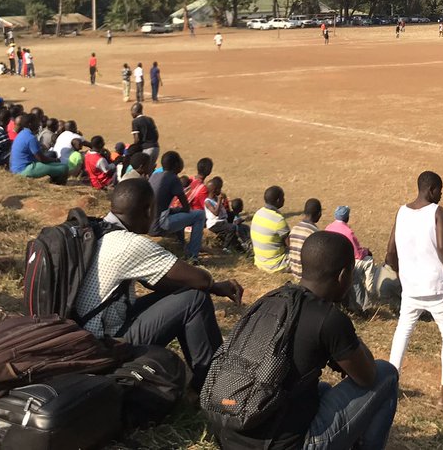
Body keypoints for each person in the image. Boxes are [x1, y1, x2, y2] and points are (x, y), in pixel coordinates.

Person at [206, 230, 399, 450]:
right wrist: (352, 340)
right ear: (343, 276)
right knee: (387, 373)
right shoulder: (330, 319)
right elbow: (367, 377)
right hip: (286, 444)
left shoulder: (272, 299)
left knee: (324, 389)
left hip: (231, 434)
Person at [72, 178, 243, 390]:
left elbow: (158, 282)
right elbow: (200, 280)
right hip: (106, 345)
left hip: (82, 336)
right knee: (195, 299)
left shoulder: (96, 229)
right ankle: (215, 386)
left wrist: (212, 287)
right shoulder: (130, 244)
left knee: (188, 292)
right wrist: (213, 284)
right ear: (148, 210)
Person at [386, 170, 443, 412]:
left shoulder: (401, 212)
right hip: (436, 289)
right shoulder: (438, 213)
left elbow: (390, 253)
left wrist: (404, 274)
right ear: (431, 189)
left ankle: (389, 384)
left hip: (410, 289)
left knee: (403, 331)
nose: (441, 195)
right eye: (440, 190)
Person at [149, 151, 205, 260]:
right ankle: (193, 255)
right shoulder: (173, 178)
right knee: (199, 215)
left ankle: (180, 243)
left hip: (147, 223)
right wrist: (181, 211)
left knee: (177, 211)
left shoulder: (154, 176)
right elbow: (186, 207)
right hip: (159, 225)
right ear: (176, 164)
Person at [10, 113, 70, 184]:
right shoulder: (30, 138)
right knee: (64, 168)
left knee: (54, 163)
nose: (39, 124)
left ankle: (54, 181)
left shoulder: (22, 133)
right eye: (36, 122)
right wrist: (55, 160)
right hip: (23, 170)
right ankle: (59, 185)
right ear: (30, 124)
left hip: (16, 168)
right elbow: (42, 159)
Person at [251, 185, 290, 273]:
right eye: (283, 197)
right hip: (275, 265)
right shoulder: (278, 220)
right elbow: (290, 245)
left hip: (260, 262)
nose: (284, 199)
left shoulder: (258, 213)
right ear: (278, 200)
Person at [287, 198, 322, 278]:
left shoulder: (295, 228)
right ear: (319, 214)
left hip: (294, 272)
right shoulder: (314, 232)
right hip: (306, 276)